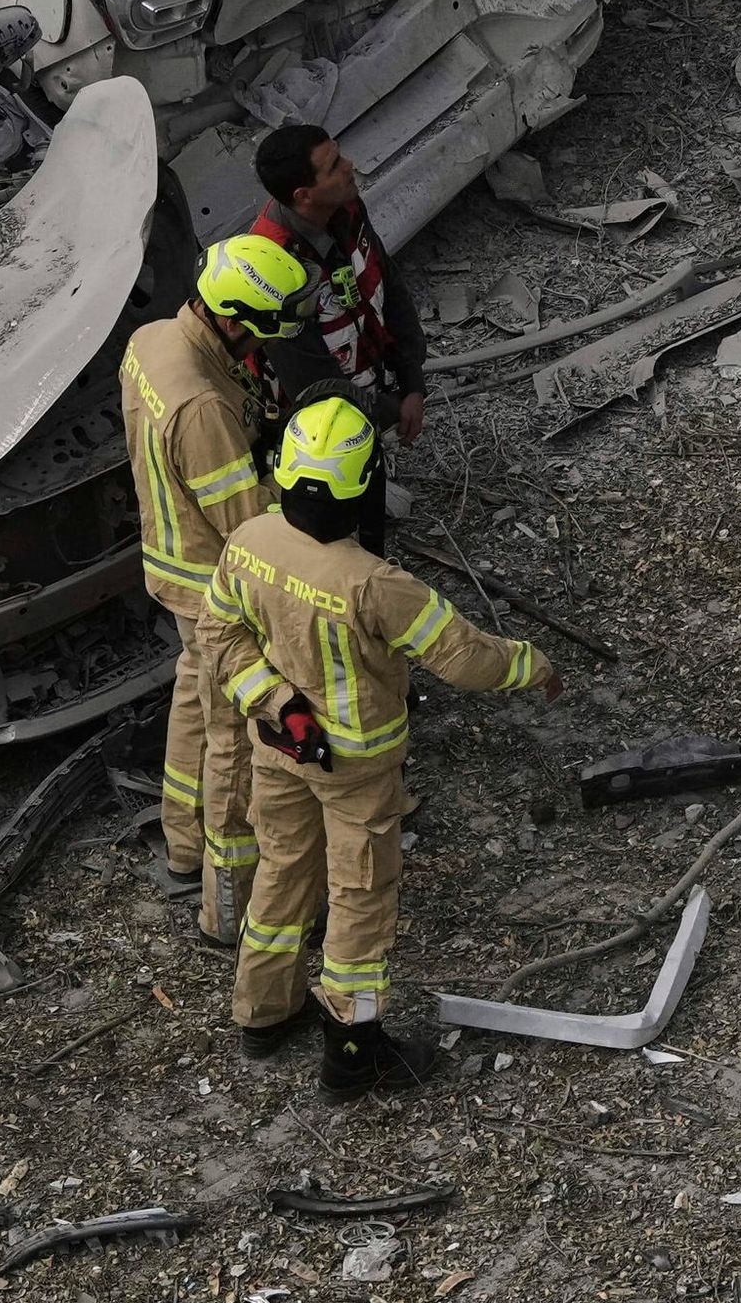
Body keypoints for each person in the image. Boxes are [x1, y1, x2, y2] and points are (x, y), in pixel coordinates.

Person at [218, 391, 555, 1096]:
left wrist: (279, 704)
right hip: (357, 767)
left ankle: (263, 1014)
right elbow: (464, 656)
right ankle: (352, 1054)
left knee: (282, 871)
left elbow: (220, 640)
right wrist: (532, 664)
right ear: (361, 485)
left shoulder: (248, 541)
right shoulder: (374, 583)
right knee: (361, 901)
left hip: (278, 744)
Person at [123, 231, 312, 945]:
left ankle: (180, 843)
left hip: (169, 560)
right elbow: (250, 528)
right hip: (213, 585)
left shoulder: (152, 342)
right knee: (232, 738)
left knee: (194, 700)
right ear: (233, 319)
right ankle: (225, 910)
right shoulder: (202, 407)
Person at [205, 123, 425, 445]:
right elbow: (315, 386)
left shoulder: (345, 207)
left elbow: (388, 284)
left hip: (367, 397)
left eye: (340, 155)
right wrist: (392, 411)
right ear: (303, 196)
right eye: (334, 165)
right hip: (322, 430)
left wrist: (412, 381)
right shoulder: (274, 272)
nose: (349, 165)